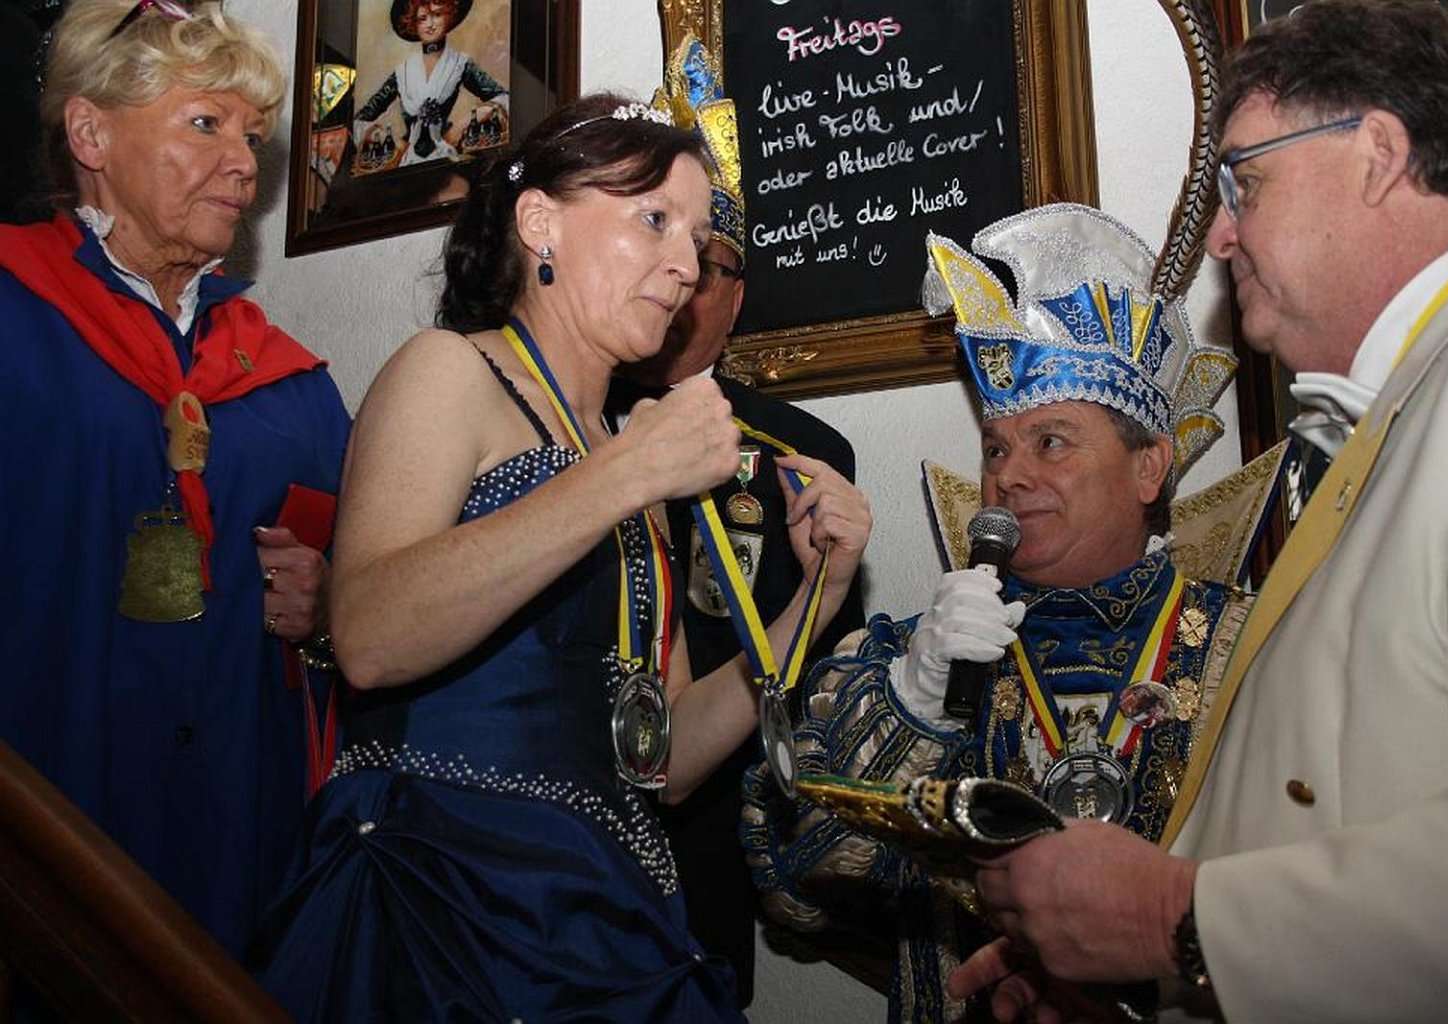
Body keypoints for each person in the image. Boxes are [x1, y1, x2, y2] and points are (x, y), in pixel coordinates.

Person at [950, 3, 1448, 1021]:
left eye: (1244, 181)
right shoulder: (1412, 406)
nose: (1222, 234)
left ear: (1378, 155)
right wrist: (1143, 981)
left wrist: (1181, 921)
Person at [251, 92, 871, 1022]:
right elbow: (369, 635)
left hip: (607, 911)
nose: (684, 266)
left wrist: (813, 599)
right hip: (443, 901)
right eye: (655, 220)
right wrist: (622, 476)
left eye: (698, 239)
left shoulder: (623, 454)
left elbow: (666, 756)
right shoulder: (452, 370)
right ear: (541, 222)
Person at [741, 202, 1250, 1023]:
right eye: (995, 448)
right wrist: (911, 703)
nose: (1008, 475)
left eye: (1051, 441)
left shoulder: (1254, 647)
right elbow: (795, 884)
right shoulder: (914, 659)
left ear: (1149, 467)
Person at [0, 0, 350, 962]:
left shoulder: (292, 385)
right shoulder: (11, 312)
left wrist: (328, 606)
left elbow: (367, 598)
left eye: (251, 137)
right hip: (43, 826)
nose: (243, 165)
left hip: (237, 836)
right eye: (206, 123)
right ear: (90, 134)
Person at [602, 35, 868, 1010]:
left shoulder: (805, 455)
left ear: (739, 292)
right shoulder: (563, 416)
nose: (678, 281)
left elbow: (814, 682)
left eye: (707, 262)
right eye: (655, 242)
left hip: (703, 840)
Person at [352, 0, 508, 171]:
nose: (430, 24)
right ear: (413, 23)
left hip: (447, 158)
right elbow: (360, 120)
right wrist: (388, 139)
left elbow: (504, 98)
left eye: (437, 15)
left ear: (449, 17)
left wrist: (473, 118)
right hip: (406, 165)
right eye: (422, 18)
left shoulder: (459, 64)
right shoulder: (403, 72)